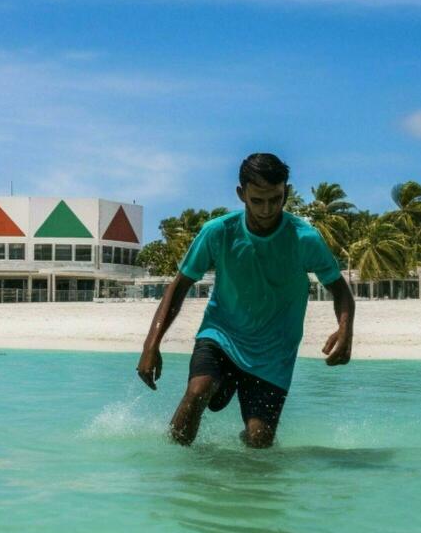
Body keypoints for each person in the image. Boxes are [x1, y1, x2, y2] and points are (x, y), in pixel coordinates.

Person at [136, 153, 355, 447]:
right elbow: (179, 285)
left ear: (286, 193)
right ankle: (172, 470)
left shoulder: (305, 238)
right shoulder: (218, 232)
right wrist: (151, 345)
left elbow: (340, 289)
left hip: (274, 352)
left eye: (275, 200)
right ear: (241, 194)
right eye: (257, 201)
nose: (267, 210)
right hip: (222, 336)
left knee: (258, 440)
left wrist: (345, 329)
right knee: (198, 391)